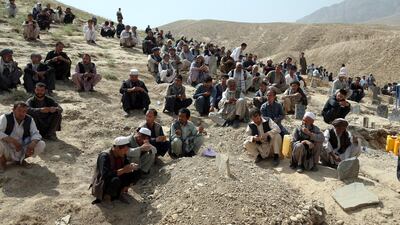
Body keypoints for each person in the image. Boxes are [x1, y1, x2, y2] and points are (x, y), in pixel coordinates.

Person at [90, 136, 141, 204]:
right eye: (124, 150)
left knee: (137, 172)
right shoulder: (105, 156)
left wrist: (130, 166)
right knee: (115, 180)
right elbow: (105, 174)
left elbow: (126, 163)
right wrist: (123, 170)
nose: (126, 153)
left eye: (127, 150)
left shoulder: (122, 154)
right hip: (104, 181)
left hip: (117, 175)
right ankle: (107, 196)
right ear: (117, 148)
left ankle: (120, 192)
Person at [0, 102, 46, 172]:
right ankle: (2, 162)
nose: (22, 113)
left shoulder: (29, 119)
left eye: (24, 111)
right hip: (7, 148)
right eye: (19, 111)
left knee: (41, 144)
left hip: (22, 148)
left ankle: (20, 160)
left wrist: (33, 143)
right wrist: (13, 141)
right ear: (13, 110)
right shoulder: (5, 118)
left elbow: (36, 133)